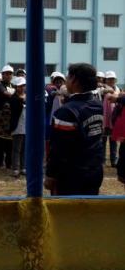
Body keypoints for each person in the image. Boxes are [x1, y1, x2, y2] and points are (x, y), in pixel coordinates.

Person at [45, 63, 104, 196]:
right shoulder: (97, 105)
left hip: (71, 176)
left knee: (67, 209)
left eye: (68, 77)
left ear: (74, 80)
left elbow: (59, 149)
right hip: (94, 171)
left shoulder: (67, 111)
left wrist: (51, 174)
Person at [0, 65, 14, 170]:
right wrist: (17, 96)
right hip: (0, 118)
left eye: (10, 74)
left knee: (10, 141)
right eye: (6, 74)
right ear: (3, 75)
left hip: (10, 118)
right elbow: (5, 93)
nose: (8, 76)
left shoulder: (13, 85)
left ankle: (9, 163)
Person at [10, 76, 27, 178]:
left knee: (24, 148)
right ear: (16, 87)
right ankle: (15, 168)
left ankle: (23, 167)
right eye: (20, 86)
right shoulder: (14, 98)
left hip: (26, 126)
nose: (22, 88)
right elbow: (16, 105)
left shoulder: (27, 96)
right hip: (17, 126)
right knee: (16, 149)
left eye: (23, 85)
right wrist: (23, 101)